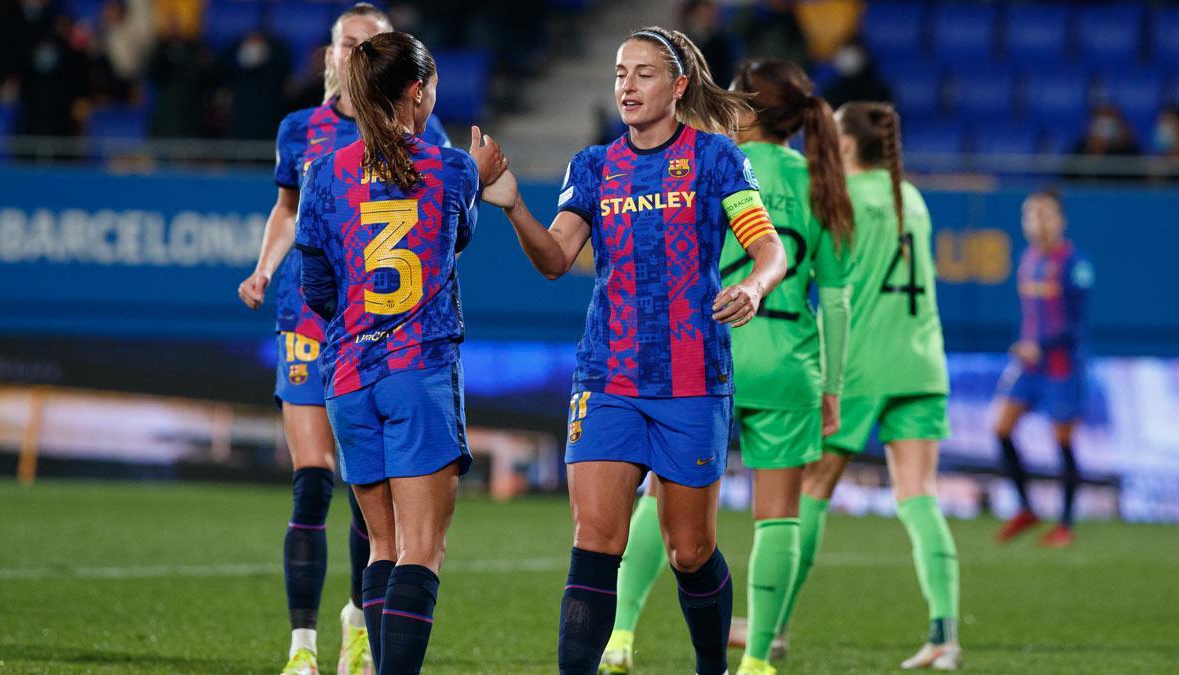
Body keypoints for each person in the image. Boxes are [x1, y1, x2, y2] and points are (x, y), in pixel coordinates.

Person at [479, 27, 787, 675]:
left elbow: (769, 248)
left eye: (644, 73)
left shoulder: (716, 159)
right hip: (607, 374)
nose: (626, 84)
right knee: (595, 540)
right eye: (620, 71)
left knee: (689, 550)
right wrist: (512, 208)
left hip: (692, 377)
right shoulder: (593, 166)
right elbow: (556, 258)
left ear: (677, 87)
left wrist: (755, 287)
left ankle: (712, 667)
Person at [595, 58, 855, 675]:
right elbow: (837, 299)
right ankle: (760, 659)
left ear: (742, 109)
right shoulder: (821, 179)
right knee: (779, 513)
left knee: (663, 495)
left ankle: (620, 635)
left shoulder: (711, 161)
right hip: (790, 358)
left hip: (705, 350)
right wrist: (834, 386)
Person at [234, 5, 452, 674]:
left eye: (367, 44)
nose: (353, 53)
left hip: (376, 329)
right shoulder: (300, 131)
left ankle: (360, 617)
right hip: (309, 316)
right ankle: (302, 647)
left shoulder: (426, 130)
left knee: (371, 492)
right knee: (311, 481)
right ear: (329, 54)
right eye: (346, 43)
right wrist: (266, 269)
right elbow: (287, 210)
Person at [295, 31, 504, 674]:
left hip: (349, 377)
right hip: (420, 371)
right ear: (418, 92)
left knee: (381, 546)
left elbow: (317, 286)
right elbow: (453, 240)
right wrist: (484, 178)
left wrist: (360, 324)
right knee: (423, 551)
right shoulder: (454, 168)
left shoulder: (325, 174)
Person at [779, 102, 962, 670]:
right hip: (922, 363)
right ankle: (945, 635)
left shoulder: (844, 199)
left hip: (859, 364)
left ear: (850, 146)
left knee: (812, 487)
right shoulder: (915, 201)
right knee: (919, 496)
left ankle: (773, 626)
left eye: (832, 133)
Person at [993, 190, 1093, 549]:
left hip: (1061, 365)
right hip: (1029, 365)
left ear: (1060, 220)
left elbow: (1075, 325)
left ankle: (1065, 524)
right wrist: (1026, 346)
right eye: (1030, 214)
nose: (1037, 221)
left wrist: (1040, 346)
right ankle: (1025, 508)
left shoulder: (1075, 263)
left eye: (1045, 214)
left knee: (1063, 441)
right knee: (1001, 427)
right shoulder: (1027, 259)